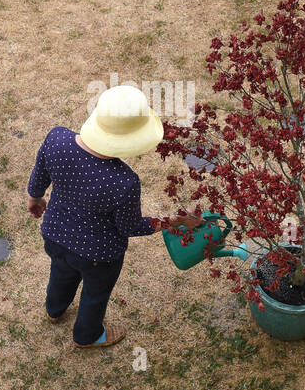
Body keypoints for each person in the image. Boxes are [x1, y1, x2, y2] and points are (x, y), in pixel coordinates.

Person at [27, 85, 203, 349]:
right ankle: (87, 336)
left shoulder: (57, 139)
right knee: (95, 295)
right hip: (98, 256)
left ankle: (54, 310)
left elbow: (39, 174)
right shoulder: (124, 182)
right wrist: (176, 220)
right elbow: (130, 226)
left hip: (54, 235)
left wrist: (35, 197)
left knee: (60, 272)